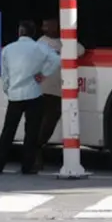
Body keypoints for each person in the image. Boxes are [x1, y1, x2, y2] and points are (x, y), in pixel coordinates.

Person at [0, 20, 61, 175]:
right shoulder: (40, 47)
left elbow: (4, 74)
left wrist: (8, 89)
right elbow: (56, 60)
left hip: (14, 96)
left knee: (8, 131)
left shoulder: (8, 49)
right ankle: (27, 166)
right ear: (33, 33)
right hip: (34, 94)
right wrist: (43, 74)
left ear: (20, 32)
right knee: (31, 132)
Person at [34, 17, 85, 171]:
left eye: (51, 24)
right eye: (45, 25)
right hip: (43, 90)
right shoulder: (40, 43)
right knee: (43, 124)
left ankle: (36, 149)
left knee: (50, 123)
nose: (48, 27)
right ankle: (35, 152)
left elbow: (80, 50)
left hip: (57, 91)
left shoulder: (65, 42)